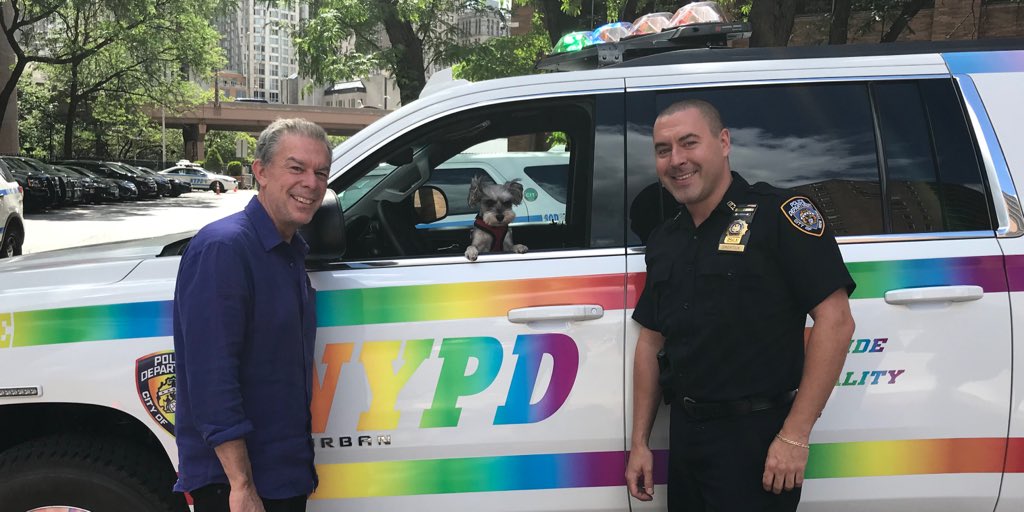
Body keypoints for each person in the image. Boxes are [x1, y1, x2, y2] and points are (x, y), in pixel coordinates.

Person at [625, 99, 856, 511]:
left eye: (689, 143)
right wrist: (640, 443)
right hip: (687, 437)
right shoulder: (665, 240)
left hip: (758, 439)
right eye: (663, 150)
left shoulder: (780, 216)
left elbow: (836, 322)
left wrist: (794, 436)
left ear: (724, 142)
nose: (676, 160)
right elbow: (650, 342)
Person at [172, 118, 332, 512]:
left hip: (282, 474)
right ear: (259, 171)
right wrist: (241, 486)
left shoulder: (290, 251)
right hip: (236, 484)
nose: (311, 183)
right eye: (296, 168)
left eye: (321, 172)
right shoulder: (224, 249)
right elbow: (212, 377)